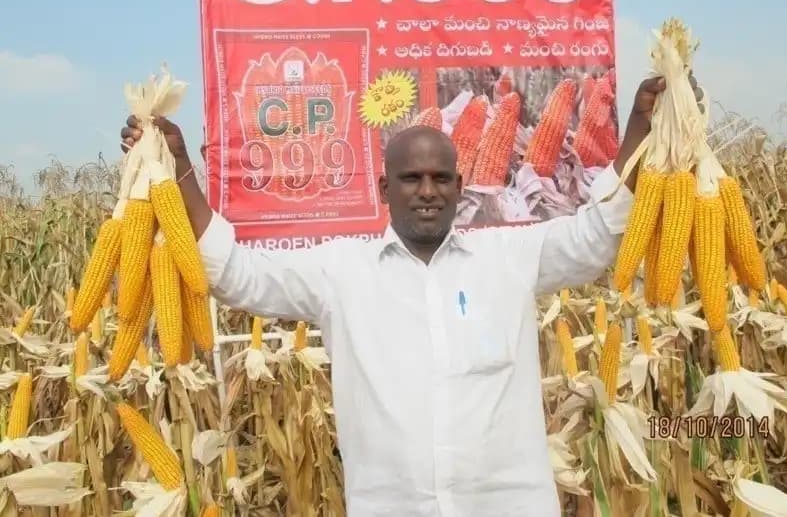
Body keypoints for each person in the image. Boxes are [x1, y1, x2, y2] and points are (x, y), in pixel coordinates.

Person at [121, 75, 673, 517]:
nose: (427, 192)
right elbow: (238, 274)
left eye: (440, 178)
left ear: (461, 187)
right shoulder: (340, 271)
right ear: (385, 190)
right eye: (411, 179)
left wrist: (641, 131)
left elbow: (599, 235)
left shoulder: (512, 258)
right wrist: (183, 169)